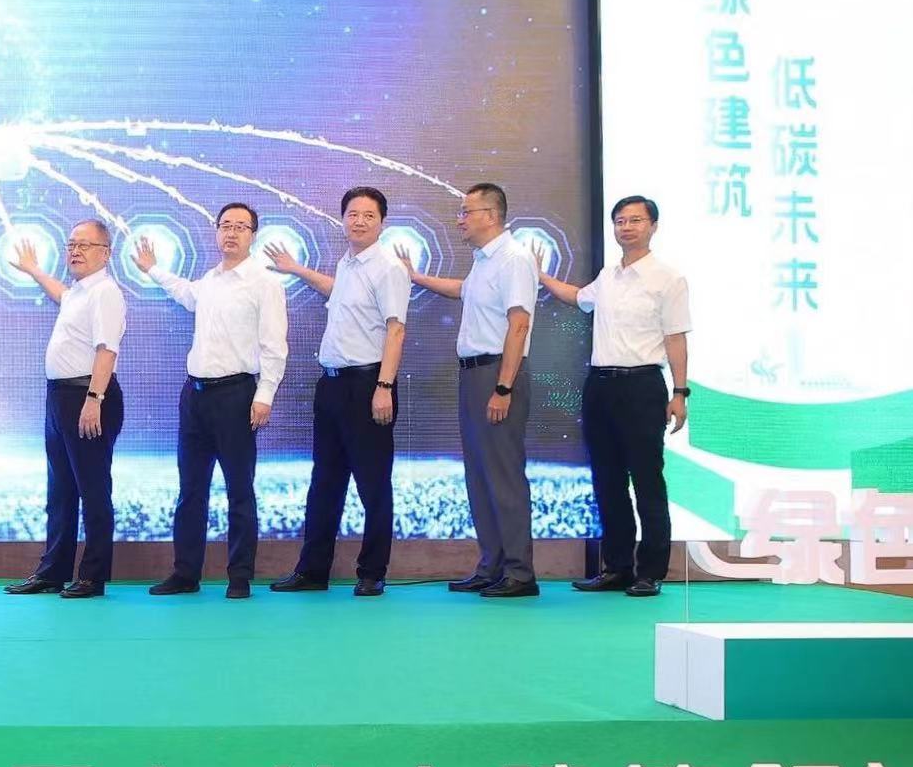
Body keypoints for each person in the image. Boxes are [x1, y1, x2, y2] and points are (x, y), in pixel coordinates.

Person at [534, 195, 691, 599]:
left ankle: (650, 571)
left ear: (653, 226)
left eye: (635, 220)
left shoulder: (668, 279)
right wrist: (541, 275)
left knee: (647, 480)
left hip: (642, 386)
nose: (626, 227)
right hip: (600, 386)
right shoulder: (608, 276)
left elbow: (676, 338)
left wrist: (680, 392)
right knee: (607, 481)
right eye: (620, 221)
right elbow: (577, 297)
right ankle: (617, 567)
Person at [135, 202, 287, 600]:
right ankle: (185, 573)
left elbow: (275, 346)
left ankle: (240, 577)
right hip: (195, 396)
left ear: (253, 234)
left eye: (240, 226)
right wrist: (153, 269)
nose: (231, 233)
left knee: (239, 490)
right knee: (190, 490)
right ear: (217, 231)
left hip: (237, 396)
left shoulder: (264, 283)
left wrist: (265, 395)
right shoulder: (211, 279)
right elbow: (186, 294)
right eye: (225, 225)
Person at [398, 182, 539, 600]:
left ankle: (519, 573)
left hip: (497, 374)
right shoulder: (484, 261)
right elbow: (463, 290)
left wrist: (503, 387)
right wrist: (417, 277)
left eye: (466, 212)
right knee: (479, 474)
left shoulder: (514, 259)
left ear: (490, 216)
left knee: (503, 474)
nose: (459, 220)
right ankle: (491, 566)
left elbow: (519, 325)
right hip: (474, 376)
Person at [267, 186, 409, 598]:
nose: (359, 221)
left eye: (368, 215)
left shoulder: (389, 268)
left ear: (382, 222)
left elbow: (396, 330)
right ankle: (313, 570)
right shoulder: (348, 263)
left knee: (373, 484)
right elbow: (338, 291)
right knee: (325, 482)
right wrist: (296, 269)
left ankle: (372, 572)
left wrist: (384, 386)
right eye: (352, 214)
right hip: (331, 386)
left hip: (368, 385)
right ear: (343, 219)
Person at [5, 219, 128, 600]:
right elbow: (61, 293)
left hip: (87, 396)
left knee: (93, 489)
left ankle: (93, 577)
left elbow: (107, 349)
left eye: (84, 245)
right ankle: (52, 572)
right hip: (60, 398)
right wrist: (34, 270)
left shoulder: (105, 293)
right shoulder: (79, 292)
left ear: (106, 253)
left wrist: (94, 399)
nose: (75, 251)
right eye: (71, 245)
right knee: (60, 491)